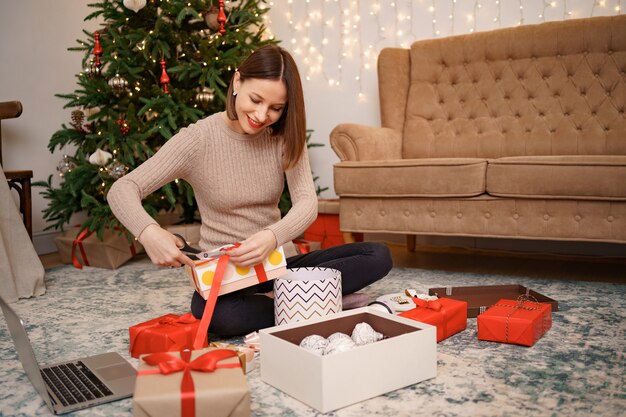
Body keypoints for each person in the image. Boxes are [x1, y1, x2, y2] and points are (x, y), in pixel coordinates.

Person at [108, 45, 392, 337]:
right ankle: (320, 305)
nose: (261, 115)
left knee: (378, 255)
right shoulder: (198, 140)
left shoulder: (283, 136)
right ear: (237, 82)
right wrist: (149, 232)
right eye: (255, 100)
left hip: (282, 266)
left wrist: (272, 237)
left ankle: (293, 304)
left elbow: (307, 202)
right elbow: (122, 189)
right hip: (228, 277)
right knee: (216, 316)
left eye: (276, 108)